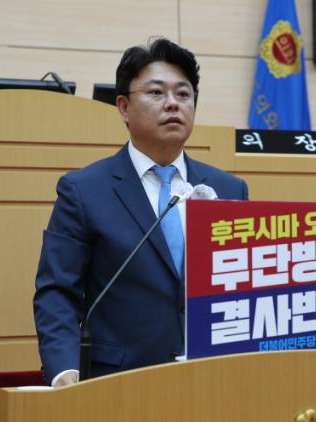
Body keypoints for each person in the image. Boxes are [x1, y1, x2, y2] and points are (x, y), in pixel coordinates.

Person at [33, 37, 249, 387]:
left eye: (183, 94)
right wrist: (64, 369)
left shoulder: (229, 190)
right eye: (156, 93)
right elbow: (57, 291)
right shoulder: (84, 191)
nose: (173, 104)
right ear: (123, 107)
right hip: (118, 382)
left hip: (214, 379)